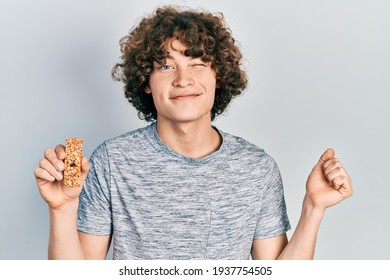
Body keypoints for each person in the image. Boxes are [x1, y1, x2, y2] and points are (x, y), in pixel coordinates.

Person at [34, 6, 352, 260]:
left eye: (198, 64)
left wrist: (313, 207)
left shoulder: (257, 168)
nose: (183, 79)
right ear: (146, 80)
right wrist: (61, 210)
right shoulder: (111, 161)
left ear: (218, 76)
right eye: (166, 66)